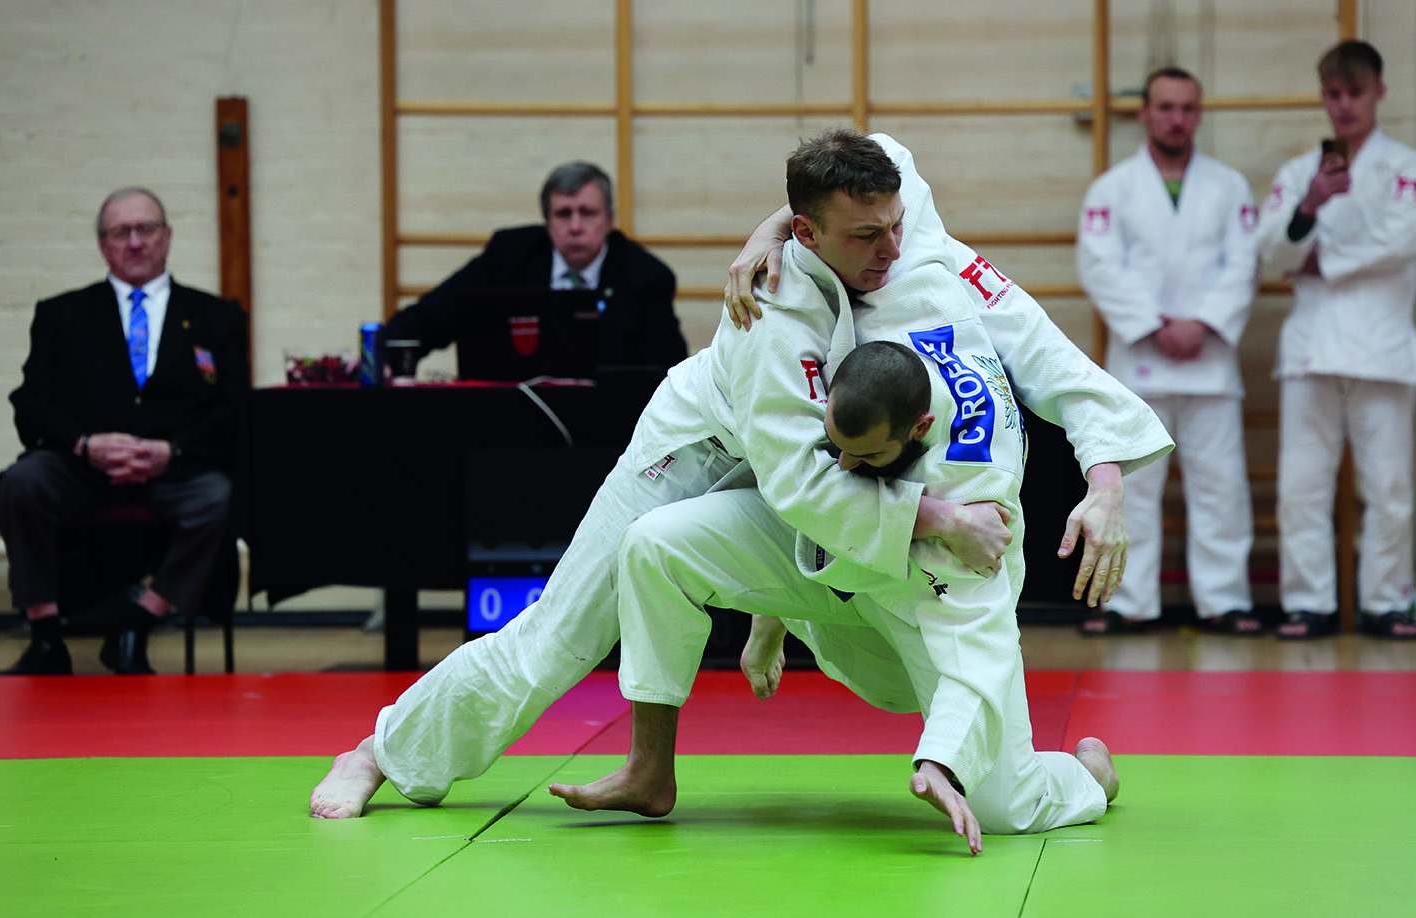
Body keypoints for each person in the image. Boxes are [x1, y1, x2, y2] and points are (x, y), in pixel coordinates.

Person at [309, 130, 1170, 822]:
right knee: (561, 635)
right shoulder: (771, 312)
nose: (889, 247)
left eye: (893, 225)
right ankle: (383, 753)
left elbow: (1047, 358)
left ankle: (1067, 774)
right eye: (864, 237)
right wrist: (935, 516)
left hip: (840, 461)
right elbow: (799, 488)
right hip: (702, 452)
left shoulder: (911, 233)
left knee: (995, 777)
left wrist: (1104, 479)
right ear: (808, 234)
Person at [549, 341, 1133, 852]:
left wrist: (939, 761)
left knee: (1007, 808)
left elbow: (979, 639)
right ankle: (649, 768)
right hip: (832, 568)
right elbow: (795, 489)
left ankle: (1086, 775)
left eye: (869, 456)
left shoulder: (975, 499)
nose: (847, 467)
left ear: (919, 429)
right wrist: (771, 230)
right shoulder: (841, 359)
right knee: (653, 543)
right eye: (838, 448)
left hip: (926, 613)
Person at [0, 187, 250, 675]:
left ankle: (137, 623)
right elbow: (30, 404)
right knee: (19, 484)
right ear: (102, 244)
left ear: (167, 237)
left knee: (222, 497)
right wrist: (84, 444)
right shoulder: (61, 314)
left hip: (174, 469)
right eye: (121, 232)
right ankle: (46, 636)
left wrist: (171, 451)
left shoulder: (216, 317)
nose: (135, 242)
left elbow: (235, 409)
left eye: (146, 229)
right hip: (80, 464)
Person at [1075, 67, 1261, 636]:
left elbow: (1243, 264)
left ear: (1197, 115)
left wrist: (1202, 323)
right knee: (1133, 492)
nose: (1176, 118)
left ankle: (1224, 600)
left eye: (1186, 108)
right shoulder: (1113, 189)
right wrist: (1155, 325)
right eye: (1165, 107)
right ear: (1146, 113)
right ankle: (1129, 603)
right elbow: (1099, 266)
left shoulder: (1229, 187)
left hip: (1209, 363)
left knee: (1221, 488)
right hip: (1142, 365)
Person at [1255, 41, 1416, 640]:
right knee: (1302, 484)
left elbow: (1400, 242)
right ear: (1323, 96)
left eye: (1356, 93)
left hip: (1381, 346)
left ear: (1379, 92)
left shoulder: (1405, 167)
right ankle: (1308, 604)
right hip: (1311, 348)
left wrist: (1322, 259)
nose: (1344, 106)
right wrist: (1309, 207)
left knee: (1391, 485)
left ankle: (1388, 602)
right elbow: (1270, 250)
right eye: (1334, 94)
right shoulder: (1301, 173)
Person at [382, 161, 687, 373]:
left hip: (610, 429)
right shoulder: (510, 255)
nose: (576, 226)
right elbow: (432, 316)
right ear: (547, 222)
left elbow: (665, 372)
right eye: (564, 214)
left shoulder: (646, 277)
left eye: (588, 213)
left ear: (609, 219)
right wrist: (381, 354)